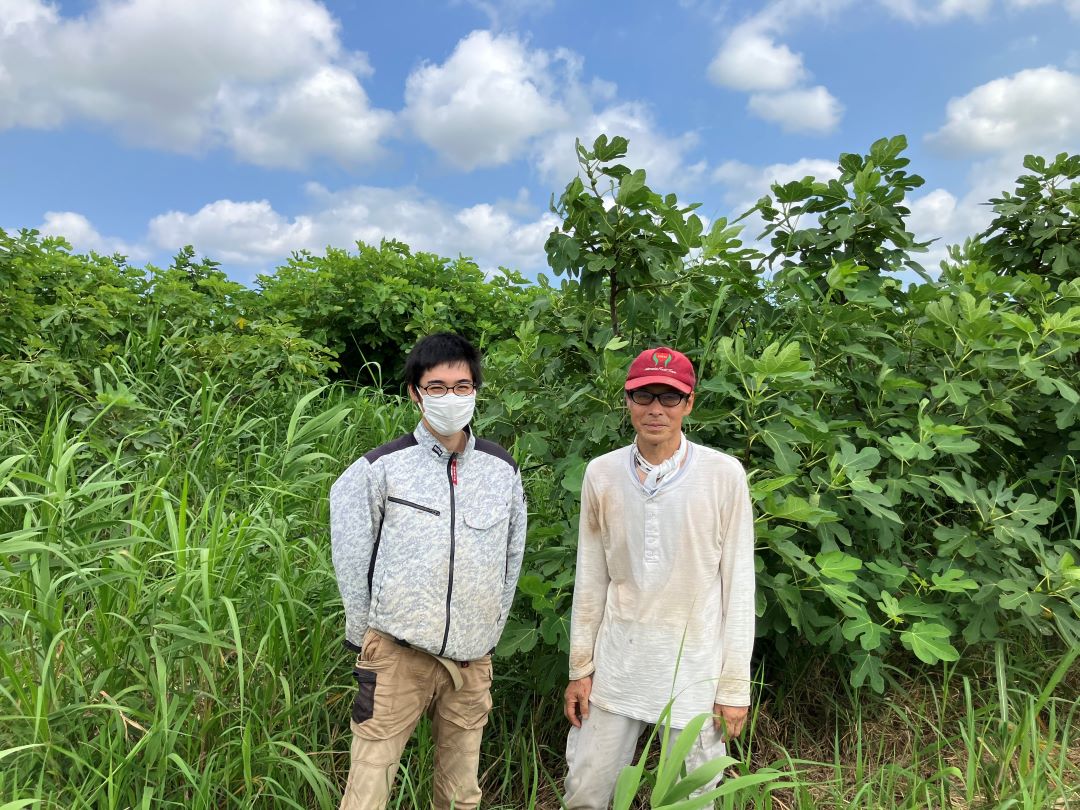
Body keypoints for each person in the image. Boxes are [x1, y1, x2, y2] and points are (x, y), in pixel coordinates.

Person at [330, 332, 527, 810]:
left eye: (462, 386)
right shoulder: (381, 468)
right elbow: (352, 558)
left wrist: (488, 635)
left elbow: (511, 559)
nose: (451, 397)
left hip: (471, 661)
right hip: (396, 655)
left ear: (476, 390)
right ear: (416, 393)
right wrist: (366, 639)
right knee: (368, 790)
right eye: (436, 387)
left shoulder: (501, 470)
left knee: (461, 793)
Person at [562, 346, 756, 808]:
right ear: (626, 401)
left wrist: (733, 688)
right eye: (643, 396)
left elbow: (740, 587)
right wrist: (579, 669)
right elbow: (590, 578)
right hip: (616, 665)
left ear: (689, 403)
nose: (655, 409)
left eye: (669, 398)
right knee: (586, 791)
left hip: (695, 671)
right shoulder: (602, 473)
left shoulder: (723, 475)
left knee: (689, 800)